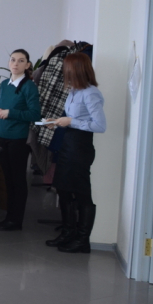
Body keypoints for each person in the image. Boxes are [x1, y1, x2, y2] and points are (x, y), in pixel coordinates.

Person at [45, 53, 106, 253]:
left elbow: (100, 125)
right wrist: (57, 122)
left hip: (80, 148)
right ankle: (68, 233)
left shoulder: (91, 93)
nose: (63, 73)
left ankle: (82, 240)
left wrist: (71, 121)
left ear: (76, 70)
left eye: (66, 69)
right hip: (68, 144)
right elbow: (71, 118)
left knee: (81, 194)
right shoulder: (73, 91)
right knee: (63, 189)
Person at [0, 49, 42, 231]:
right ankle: (10, 216)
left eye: (21, 61)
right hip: (2, 136)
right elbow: (0, 105)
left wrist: (10, 113)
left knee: (18, 180)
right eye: (13, 60)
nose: (16, 63)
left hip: (18, 140)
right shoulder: (5, 84)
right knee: (7, 179)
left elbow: (35, 114)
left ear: (27, 65)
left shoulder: (29, 86)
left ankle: (16, 220)